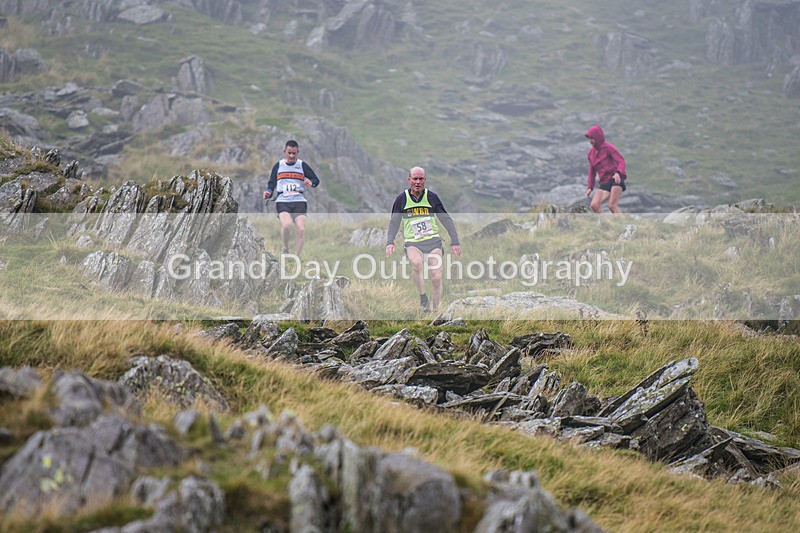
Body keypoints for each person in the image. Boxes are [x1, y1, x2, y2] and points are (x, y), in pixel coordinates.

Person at [386, 166, 462, 313]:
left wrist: (455, 242)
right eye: (415, 179)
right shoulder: (401, 199)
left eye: (421, 179)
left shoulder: (432, 197)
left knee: (437, 276)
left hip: (433, 241)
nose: (418, 182)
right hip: (413, 242)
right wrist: (390, 242)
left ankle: (435, 311)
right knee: (416, 263)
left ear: (425, 180)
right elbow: (394, 222)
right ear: (409, 180)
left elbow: (445, 219)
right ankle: (423, 298)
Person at [263, 140, 320, 255]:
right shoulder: (278, 165)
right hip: (283, 201)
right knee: (287, 225)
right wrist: (268, 192)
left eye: (294, 153)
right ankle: (285, 248)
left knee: (301, 229)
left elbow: (316, 180)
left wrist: (311, 182)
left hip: (299, 201)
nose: (291, 156)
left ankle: (296, 258)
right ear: (285, 152)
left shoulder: (302, 165)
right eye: (289, 153)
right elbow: (272, 182)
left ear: (297, 152)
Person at [584, 125, 627, 214]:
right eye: (589, 138)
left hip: (616, 179)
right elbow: (592, 172)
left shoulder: (608, 148)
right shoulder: (591, 154)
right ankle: (606, 225)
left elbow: (621, 161)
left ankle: (623, 223)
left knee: (612, 206)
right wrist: (590, 187)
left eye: (592, 138)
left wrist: (618, 173)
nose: (590, 141)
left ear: (598, 137)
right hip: (604, 182)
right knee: (594, 205)